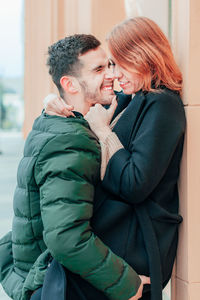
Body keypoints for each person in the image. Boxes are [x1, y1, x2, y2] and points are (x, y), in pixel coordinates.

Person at [0, 34, 150, 300]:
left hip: (35, 275)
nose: (112, 75)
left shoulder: (52, 122)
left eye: (109, 65)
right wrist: (127, 284)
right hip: (52, 284)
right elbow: (66, 237)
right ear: (69, 84)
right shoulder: (70, 140)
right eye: (98, 69)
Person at [45, 17, 186, 300]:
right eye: (110, 65)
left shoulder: (162, 104)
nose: (115, 74)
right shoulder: (132, 99)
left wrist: (103, 131)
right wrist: (52, 104)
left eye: (121, 64)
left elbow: (136, 184)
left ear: (144, 57)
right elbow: (83, 101)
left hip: (134, 246)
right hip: (115, 241)